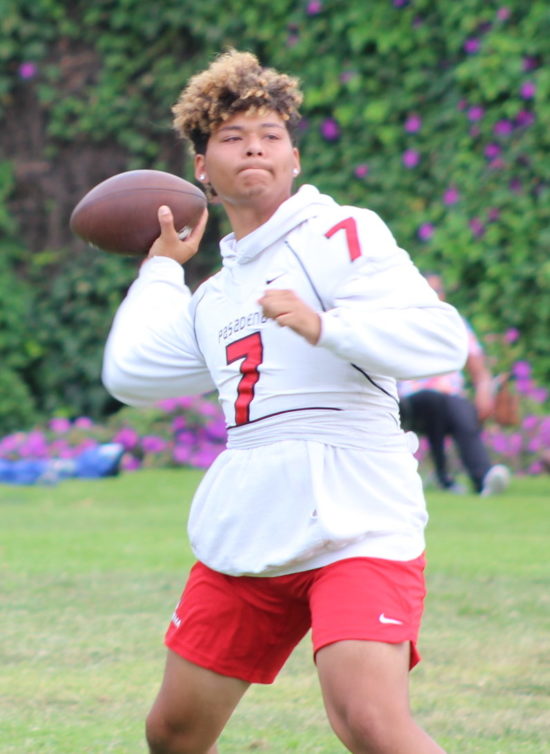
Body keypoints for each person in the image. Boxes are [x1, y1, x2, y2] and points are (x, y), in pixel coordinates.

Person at [102, 50, 468, 754]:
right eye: (233, 137)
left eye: (270, 135)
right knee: (172, 732)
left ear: (294, 158)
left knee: (369, 721)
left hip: (359, 522)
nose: (255, 148)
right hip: (251, 526)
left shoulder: (341, 232)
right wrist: (160, 271)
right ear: (201, 169)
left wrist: (325, 325)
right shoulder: (215, 297)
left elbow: (440, 339)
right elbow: (130, 375)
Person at [398, 273, 510, 496]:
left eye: (437, 291)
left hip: (450, 403)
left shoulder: (455, 324)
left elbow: (479, 370)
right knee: (434, 400)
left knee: (458, 407)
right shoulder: (401, 322)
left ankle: (483, 479)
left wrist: (484, 391)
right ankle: (447, 476)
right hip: (410, 403)